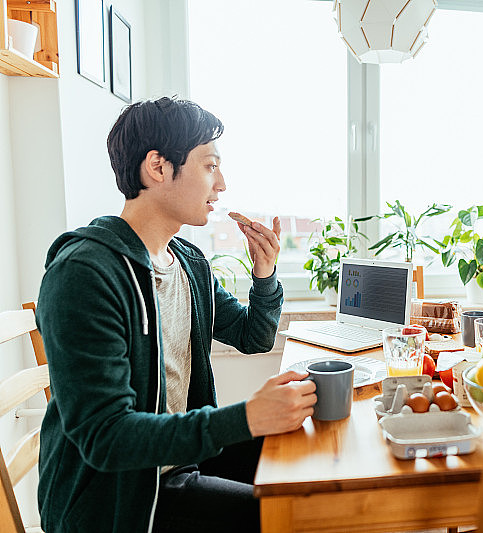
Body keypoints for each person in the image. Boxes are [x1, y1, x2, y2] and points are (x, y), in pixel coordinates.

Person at [36, 97, 317, 533]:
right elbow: (104, 437)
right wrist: (247, 417)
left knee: (311, 466)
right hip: (118, 500)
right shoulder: (84, 274)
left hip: (180, 461)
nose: (222, 184)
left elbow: (253, 337)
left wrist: (264, 277)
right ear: (158, 167)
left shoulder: (186, 261)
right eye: (210, 166)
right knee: (297, 518)